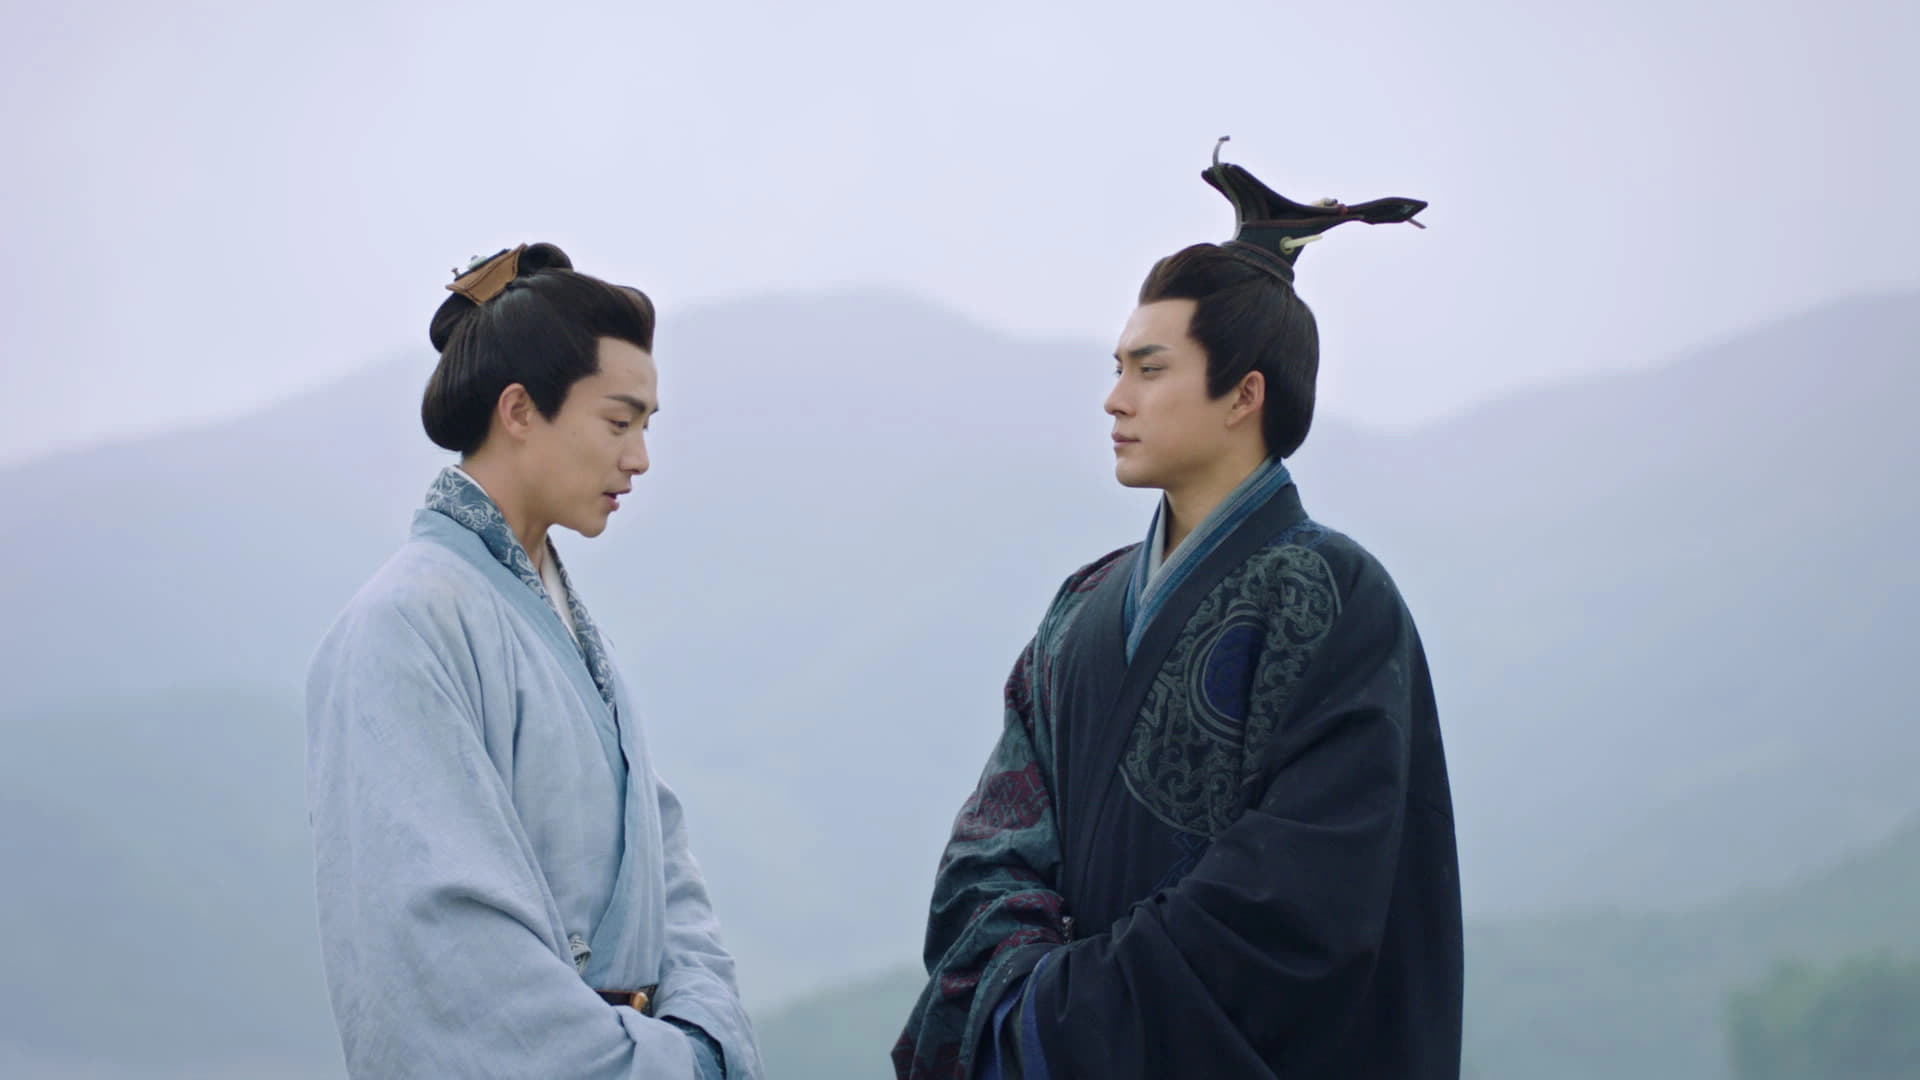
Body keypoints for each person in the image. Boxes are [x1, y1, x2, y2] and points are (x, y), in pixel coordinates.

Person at [893, 142, 1464, 1080]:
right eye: (1118, 367)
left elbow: (1298, 903)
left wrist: (1071, 1012)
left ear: (1244, 394)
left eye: (1149, 369)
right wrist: (1032, 1002)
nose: (1114, 399)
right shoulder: (1082, 606)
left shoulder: (1335, 600)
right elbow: (989, 851)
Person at [306, 243, 761, 1079]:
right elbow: (446, 955)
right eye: (619, 423)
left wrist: (703, 1038)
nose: (640, 458)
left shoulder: (570, 628)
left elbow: (667, 871)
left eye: (647, 427)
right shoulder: (402, 626)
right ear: (518, 410)